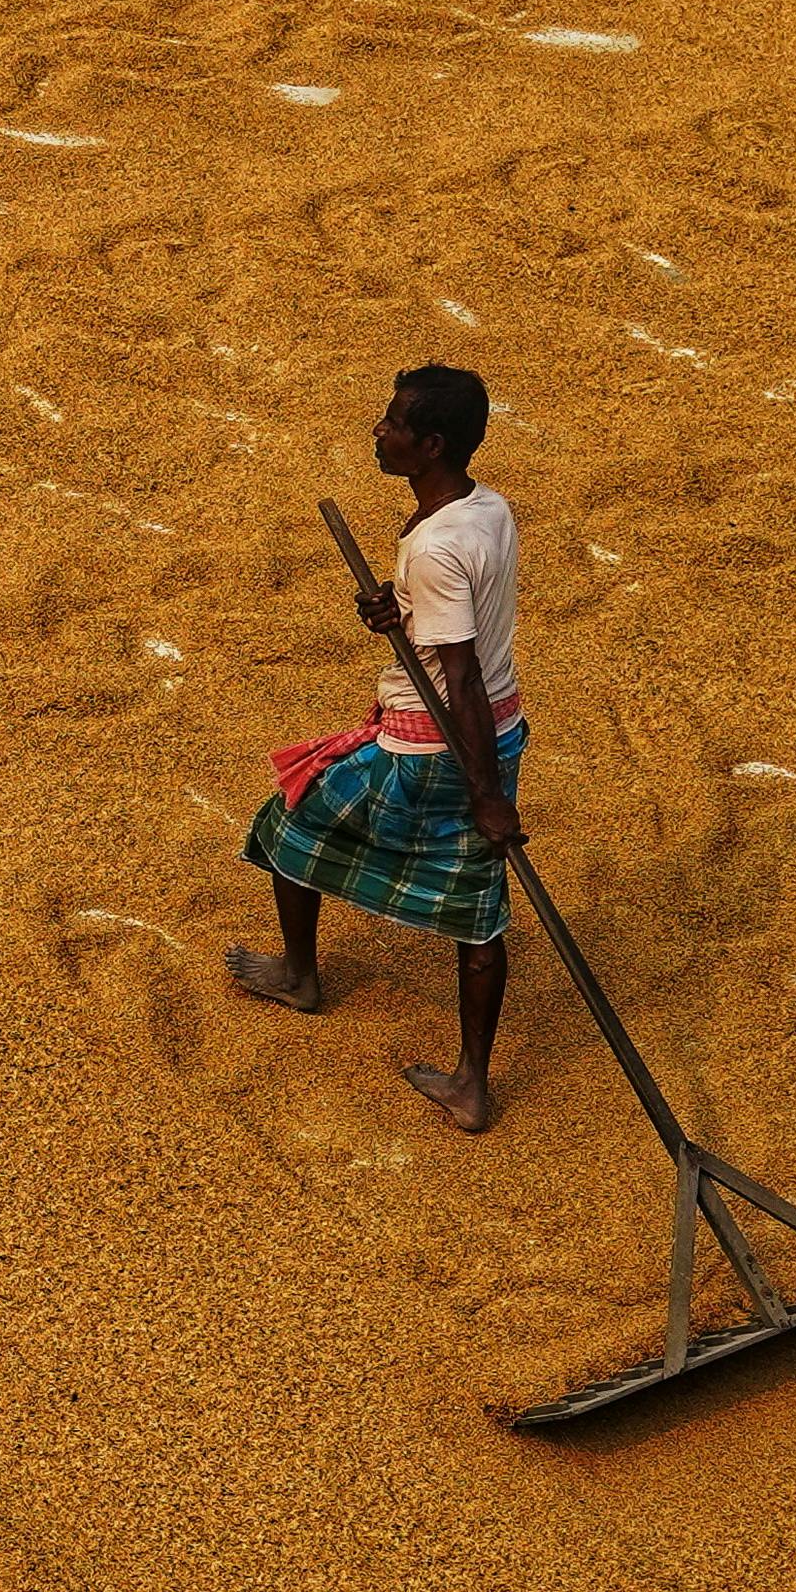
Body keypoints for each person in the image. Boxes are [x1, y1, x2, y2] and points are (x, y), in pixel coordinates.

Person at [226, 365, 531, 1131]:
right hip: (498, 730)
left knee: (290, 820)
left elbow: (456, 676)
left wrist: (486, 797)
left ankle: (301, 976)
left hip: (434, 749)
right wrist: (396, 612)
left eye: (392, 422)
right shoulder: (485, 509)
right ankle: (471, 1083)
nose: (379, 431)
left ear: (428, 445)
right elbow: (454, 631)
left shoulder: (433, 549)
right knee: (479, 910)